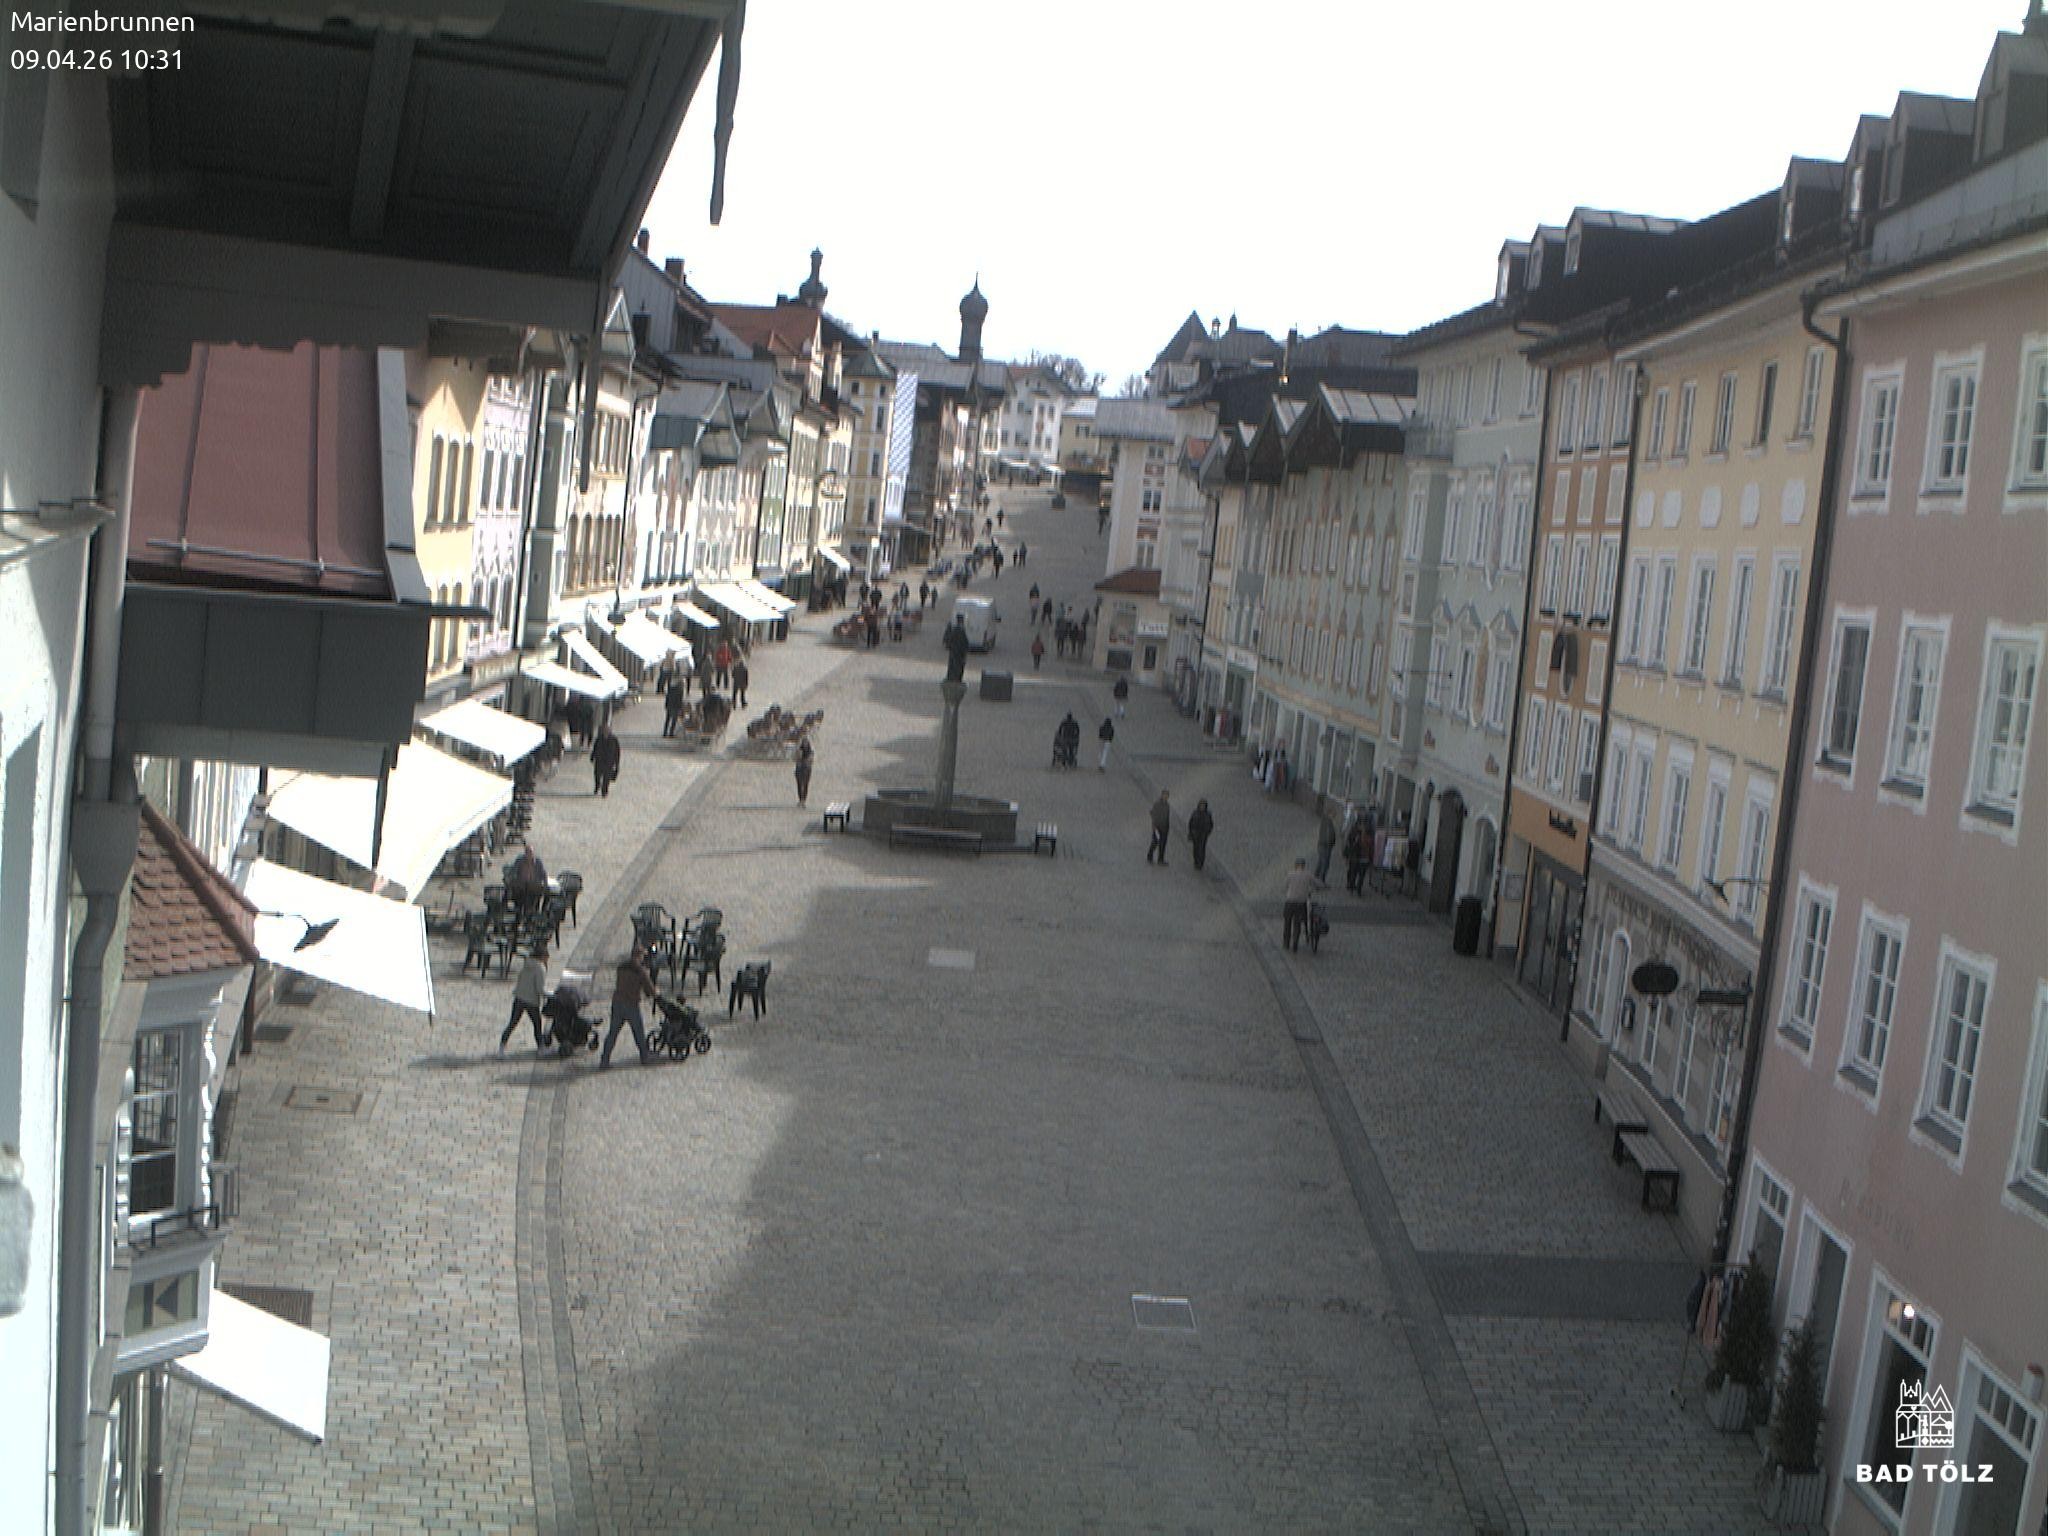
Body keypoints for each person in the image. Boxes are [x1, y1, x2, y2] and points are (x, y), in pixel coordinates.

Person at [600, 945, 658, 1068]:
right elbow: (650, 990)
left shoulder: (621, 968)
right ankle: (644, 1056)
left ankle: (604, 1060)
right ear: (640, 956)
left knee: (613, 1033)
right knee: (639, 1032)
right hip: (631, 1004)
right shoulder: (641, 971)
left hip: (617, 1003)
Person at [502, 942, 551, 1052]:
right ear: (543, 957)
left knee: (512, 1023)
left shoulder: (527, 964)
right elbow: (540, 989)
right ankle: (541, 1048)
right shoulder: (540, 968)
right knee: (537, 1025)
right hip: (531, 1000)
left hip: (519, 997)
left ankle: (502, 1046)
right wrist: (551, 994)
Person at [1283, 859, 1316, 952]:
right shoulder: (1308, 875)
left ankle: (1286, 943)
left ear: (1295, 865)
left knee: (1287, 923)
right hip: (1301, 903)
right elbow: (1317, 883)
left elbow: (1285, 886)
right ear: (1304, 866)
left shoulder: (1290, 874)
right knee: (1297, 923)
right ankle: (1295, 943)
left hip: (1290, 902)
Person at [591, 722, 622, 797]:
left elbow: (617, 752)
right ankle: (597, 785)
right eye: (605, 730)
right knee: (597, 775)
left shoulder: (614, 740)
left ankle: (604, 791)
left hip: (609, 762)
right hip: (599, 760)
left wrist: (617, 763)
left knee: (606, 777)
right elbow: (595, 748)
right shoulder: (599, 739)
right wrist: (592, 757)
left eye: (607, 730)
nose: (606, 732)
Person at [1343, 815, 1369, 895]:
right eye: (1363, 824)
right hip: (1355, 856)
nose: (1364, 826)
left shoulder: (1354, 831)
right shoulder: (1356, 832)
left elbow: (1347, 843)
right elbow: (1349, 843)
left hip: (1355, 856)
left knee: (1353, 871)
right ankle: (1351, 886)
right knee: (1353, 872)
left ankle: (1351, 886)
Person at [1188, 799, 1215, 871]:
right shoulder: (1195, 813)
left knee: (1202, 848)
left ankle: (1201, 863)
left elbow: (1211, 824)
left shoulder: (1208, 814)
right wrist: (1191, 833)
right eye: (1201, 805)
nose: (1202, 807)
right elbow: (1191, 823)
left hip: (1203, 834)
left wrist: (1208, 831)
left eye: (1203, 805)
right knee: (1196, 848)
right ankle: (1196, 861)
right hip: (1196, 833)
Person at [1146, 790, 1171, 865]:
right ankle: (1150, 855)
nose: (1165, 797)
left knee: (1163, 844)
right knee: (1155, 842)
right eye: (1164, 795)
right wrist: (1154, 825)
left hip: (1164, 828)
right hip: (1157, 827)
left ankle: (1160, 859)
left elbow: (1167, 817)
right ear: (1162, 795)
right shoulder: (1157, 804)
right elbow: (1152, 813)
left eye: (1167, 795)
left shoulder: (1167, 805)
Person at [1315, 807, 1338, 883]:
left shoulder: (1325, 821)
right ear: (1330, 814)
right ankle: (1321, 880)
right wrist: (1330, 843)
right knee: (1325, 864)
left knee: (1321, 862)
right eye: (1334, 814)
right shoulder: (1328, 822)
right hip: (1326, 846)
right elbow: (1329, 835)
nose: (1335, 816)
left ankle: (1316, 878)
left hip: (1322, 845)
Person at [795, 734, 815, 806]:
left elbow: (811, 760)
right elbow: (797, 759)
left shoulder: (811, 751)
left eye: (806, 742)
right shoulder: (799, 749)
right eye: (804, 742)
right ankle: (800, 800)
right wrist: (799, 755)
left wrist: (807, 761)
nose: (805, 743)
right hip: (800, 768)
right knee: (799, 784)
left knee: (806, 784)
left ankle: (804, 800)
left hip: (807, 769)